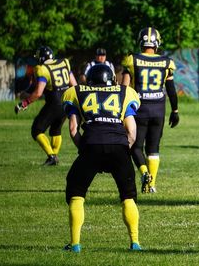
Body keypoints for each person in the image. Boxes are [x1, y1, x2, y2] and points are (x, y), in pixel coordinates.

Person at [61, 64, 142, 252]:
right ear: (113, 79)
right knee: (128, 196)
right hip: (119, 145)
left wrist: (85, 149)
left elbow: (73, 129)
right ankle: (135, 242)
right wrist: (123, 150)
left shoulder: (76, 92)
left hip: (91, 144)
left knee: (76, 192)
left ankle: (75, 244)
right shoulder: (125, 92)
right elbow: (132, 131)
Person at [121, 27, 179, 194]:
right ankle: (151, 184)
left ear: (141, 42)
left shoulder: (132, 60)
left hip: (138, 110)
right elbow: (171, 90)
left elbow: (124, 88)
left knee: (135, 147)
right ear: (157, 42)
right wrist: (175, 110)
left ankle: (145, 173)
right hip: (158, 110)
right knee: (153, 148)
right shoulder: (166, 62)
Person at [14, 46, 77, 165]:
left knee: (37, 130)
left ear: (42, 58)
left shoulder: (42, 69)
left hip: (54, 103)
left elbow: (38, 93)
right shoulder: (64, 63)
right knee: (56, 131)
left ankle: (51, 156)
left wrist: (24, 103)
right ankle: (54, 157)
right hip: (66, 103)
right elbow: (74, 85)